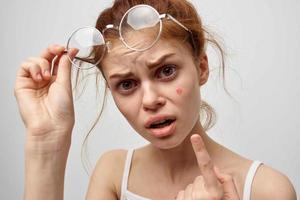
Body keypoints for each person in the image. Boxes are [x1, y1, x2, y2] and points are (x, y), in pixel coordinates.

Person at [14, 0, 296, 199]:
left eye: (166, 71)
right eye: (126, 84)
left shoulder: (266, 190)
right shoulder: (113, 173)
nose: (150, 100)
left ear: (201, 68)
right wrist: (46, 141)